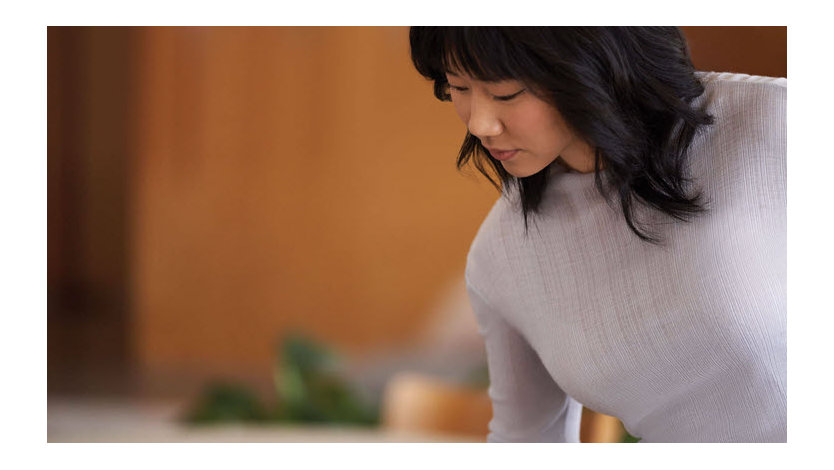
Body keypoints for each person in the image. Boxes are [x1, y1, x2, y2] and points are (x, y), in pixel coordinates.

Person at [409, 27, 786, 443]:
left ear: (593, 65)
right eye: (457, 87)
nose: (480, 124)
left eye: (506, 93)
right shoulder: (501, 254)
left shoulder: (774, 122)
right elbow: (527, 440)